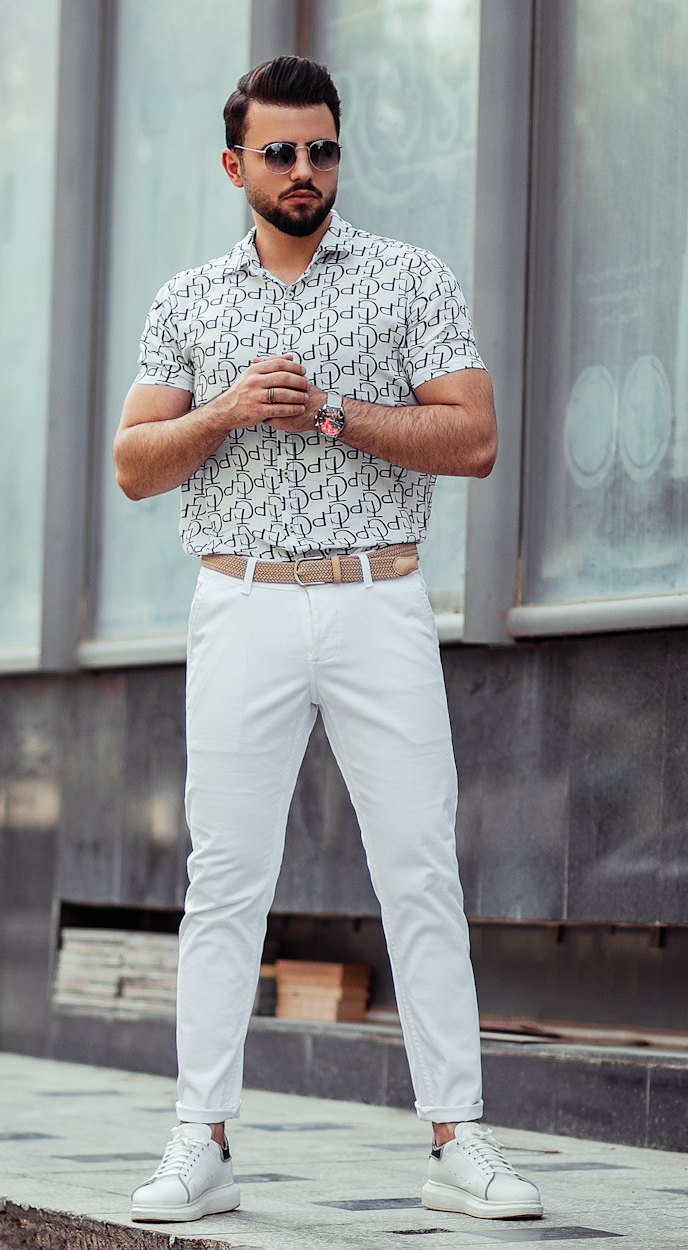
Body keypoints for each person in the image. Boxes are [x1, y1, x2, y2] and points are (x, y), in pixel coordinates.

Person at [114, 55, 543, 1227]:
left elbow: (475, 437)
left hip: (377, 599)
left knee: (418, 865)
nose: (305, 172)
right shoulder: (187, 301)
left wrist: (342, 411)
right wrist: (227, 410)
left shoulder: (410, 277)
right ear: (234, 164)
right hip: (241, 600)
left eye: (323, 150)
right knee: (223, 878)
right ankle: (199, 1138)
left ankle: (459, 1139)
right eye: (280, 152)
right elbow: (133, 464)